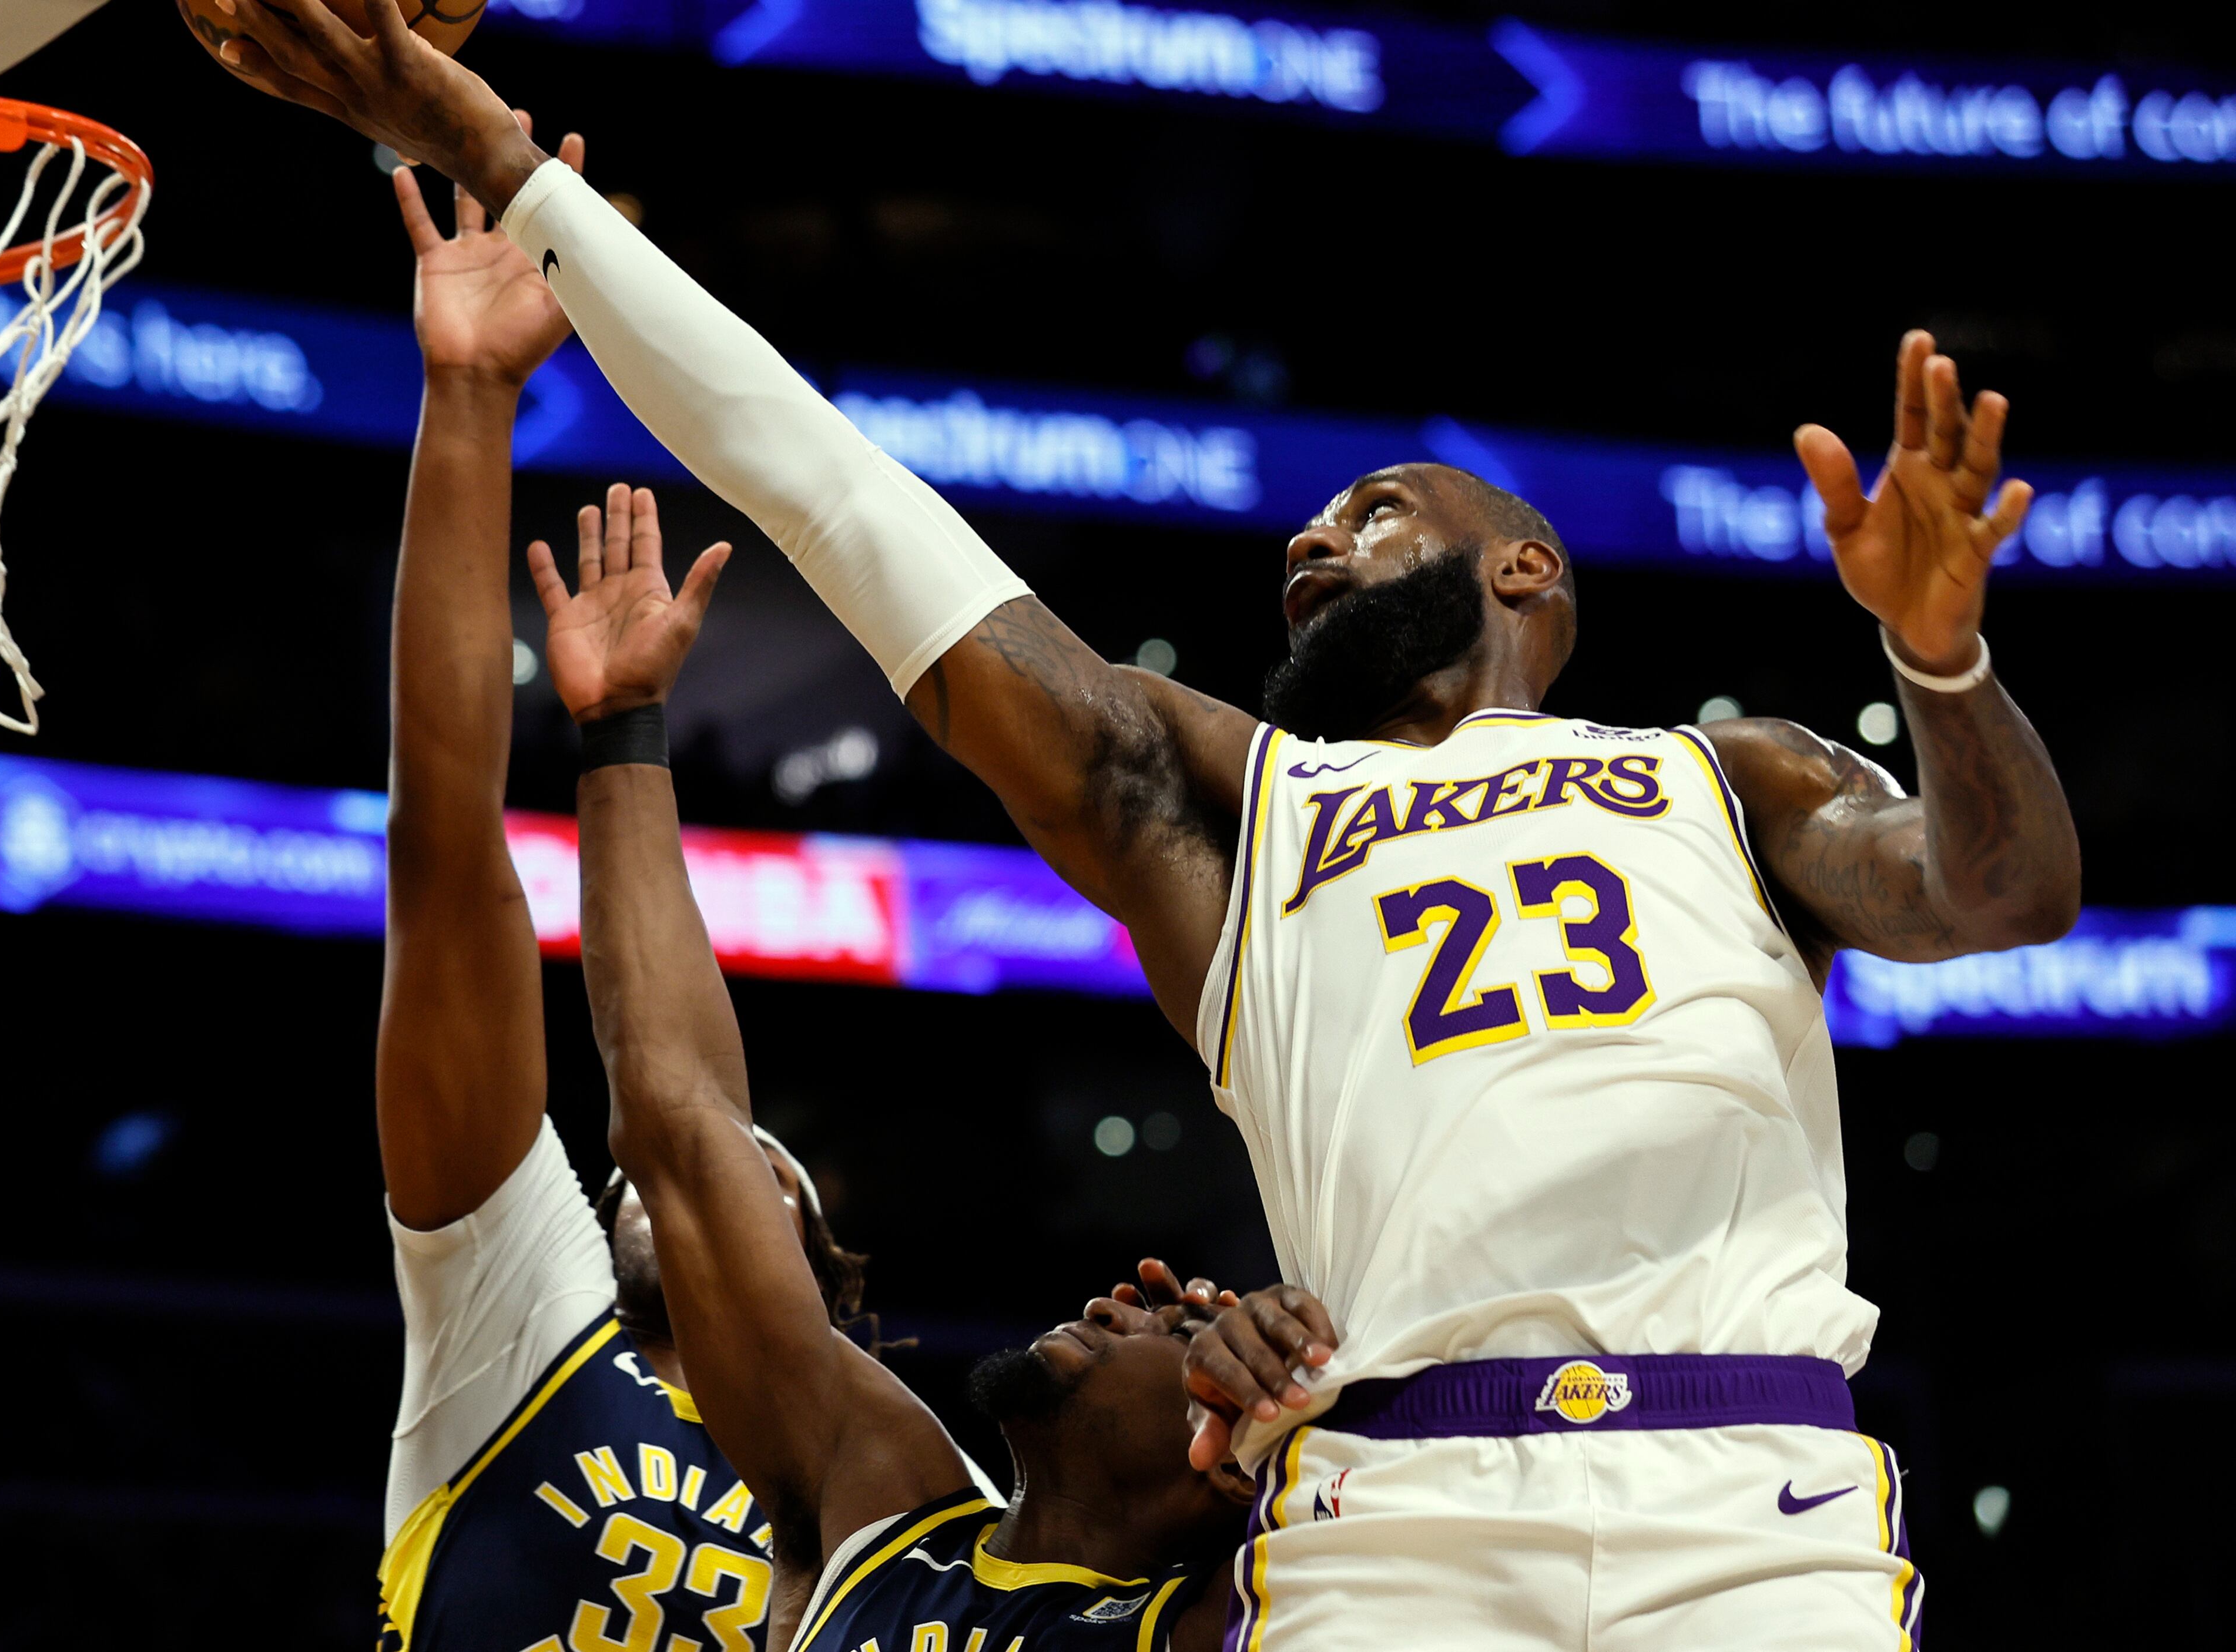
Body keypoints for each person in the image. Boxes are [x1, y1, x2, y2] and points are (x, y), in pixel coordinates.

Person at [210, 8, 2082, 1646]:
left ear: (1529, 567)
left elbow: (1998, 892)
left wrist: (1942, 658)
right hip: (1402, 1509)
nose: (1311, 540)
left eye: (1372, 508)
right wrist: (506, 161)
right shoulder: (1231, 813)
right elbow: (831, 489)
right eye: (1313, 527)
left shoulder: (1727, 773)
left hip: (1751, 1489)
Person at [542, 481, 1341, 1651]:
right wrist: (623, 729)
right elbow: (683, 1123)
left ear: (1225, 1458)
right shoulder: (879, 1497)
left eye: (1184, 1327)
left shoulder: (1229, 1619)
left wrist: (1302, 1426)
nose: (1140, 1288)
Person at [360, 128, 889, 1652]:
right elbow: (445, 858)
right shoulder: (520, 1311)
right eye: (638, 1175)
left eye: (753, 1177)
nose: (665, 1178)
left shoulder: (904, 1486)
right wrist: (471, 399)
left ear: (827, 1286)